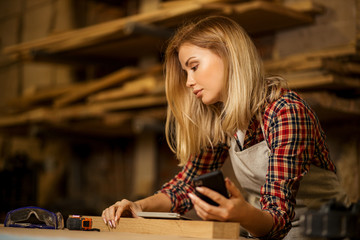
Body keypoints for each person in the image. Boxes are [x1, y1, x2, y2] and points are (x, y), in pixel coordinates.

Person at [102, 16, 348, 239]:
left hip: (321, 233)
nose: (188, 82)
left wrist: (240, 215)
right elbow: (187, 185)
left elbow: (279, 219)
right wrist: (139, 206)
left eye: (194, 66)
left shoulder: (286, 112)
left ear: (228, 54)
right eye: (185, 72)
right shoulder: (222, 119)